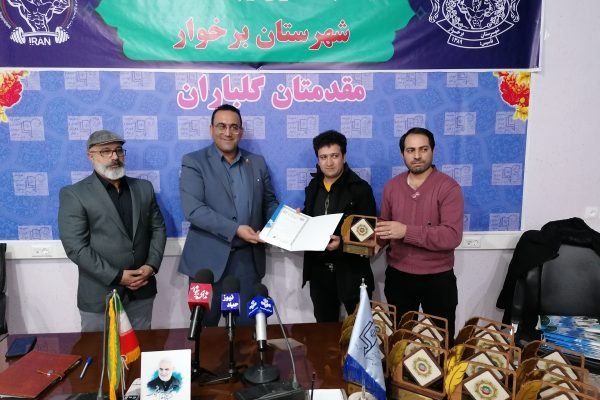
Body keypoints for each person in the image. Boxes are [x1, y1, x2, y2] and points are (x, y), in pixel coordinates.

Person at [178, 104, 279, 326]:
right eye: (221, 126)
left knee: (246, 332)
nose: (228, 132)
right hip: (206, 262)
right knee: (205, 332)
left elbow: (269, 203)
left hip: (247, 261)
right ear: (211, 129)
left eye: (234, 127)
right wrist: (235, 229)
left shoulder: (257, 162)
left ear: (241, 132)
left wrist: (284, 219)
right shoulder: (194, 161)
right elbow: (194, 210)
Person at [58, 130, 166, 332]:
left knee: (142, 348)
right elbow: (76, 247)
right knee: (98, 350)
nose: (114, 157)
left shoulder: (144, 188)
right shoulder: (74, 194)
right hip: (100, 295)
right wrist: (117, 276)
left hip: (142, 291)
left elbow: (158, 228)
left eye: (118, 150)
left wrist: (151, 266)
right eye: (106, 151)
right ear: (91, 156)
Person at [374, 127, 464, 340]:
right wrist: (374, 244)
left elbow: (451, 236)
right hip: (398, 276)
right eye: (410, 150)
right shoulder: (391, 187)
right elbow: (385, 225)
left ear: (432, 151)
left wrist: (406, 231)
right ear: (402, 154)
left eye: (423, 149)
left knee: (441, 342)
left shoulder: (449, 187)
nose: (417, 156)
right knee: (400, 340)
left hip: (438, 278)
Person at [302, 130, 376, 322]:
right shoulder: (313, 187)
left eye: (334, 156)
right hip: (319, 274)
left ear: (344, 156)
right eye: (323, 157)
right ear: (318, 159)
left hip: (352, 272)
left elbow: (367, 235)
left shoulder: (360, 189)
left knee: (360, 330)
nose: (329, 162)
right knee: (323, 330)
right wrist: (299, 221)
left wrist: (341, 243)